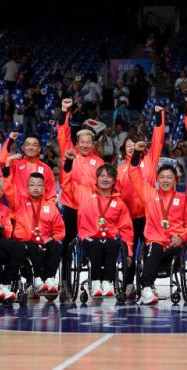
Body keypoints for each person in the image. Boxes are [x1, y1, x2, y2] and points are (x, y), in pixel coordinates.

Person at [129, 143, 187, 305]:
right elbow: (134, 175)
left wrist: (182, 237)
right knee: (154, 247)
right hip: (155, 243)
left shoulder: (183, 199)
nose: (165, 180)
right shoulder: (149, 194)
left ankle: (146, 281)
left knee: (154, 253)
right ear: (157, 179)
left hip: (175, 245)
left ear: (176, 180)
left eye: (169, 177)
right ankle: (146, 288)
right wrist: (136, 154)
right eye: (162, 177)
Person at [60, 151, 133, 298]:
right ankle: (95, 282)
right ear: (96, 179)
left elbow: (126, 229)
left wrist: (129, 253)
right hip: (89, 238)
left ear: (114, 181)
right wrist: (67, 163)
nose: (105, 179)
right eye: (102, 176)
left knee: (112, 244)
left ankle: (107, 282)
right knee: (96, 244)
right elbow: (66, 184)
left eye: (109, 176)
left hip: (109, 238)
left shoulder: (119, 203)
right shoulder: (85, 196)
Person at [115, 106, 165, 290]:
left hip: (148, 215)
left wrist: (159, 115)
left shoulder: (149, 162)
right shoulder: (119, 170)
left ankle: (146, 283)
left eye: (133, 145)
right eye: (127, 146)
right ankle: (128, 284)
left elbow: (158, 140)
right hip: (128, 217)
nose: (130, 148)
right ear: (124, 149)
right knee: (128, 250)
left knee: (149, 251)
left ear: (139, 146)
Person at [2, 168, 65, 295]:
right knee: (32, 246)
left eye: (39, 185)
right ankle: (37, 280)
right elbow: (8, 188)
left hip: (45, 240)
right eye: (32, 185)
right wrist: (8, 166)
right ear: (26, 187)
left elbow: (60, 230)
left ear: (44, 188)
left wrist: (51, 238)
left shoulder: (51, 207)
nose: (35, 188)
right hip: (26, 241)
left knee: (57, 246)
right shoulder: (18, 202)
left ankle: (49, 279)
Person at [57, 98, 105, 258]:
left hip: (90, 206)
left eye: (88, 142)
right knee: (67, 240)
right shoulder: (70, 153)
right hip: (70, 204)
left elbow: (104, 185)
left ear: (93, 144)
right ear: (76, 143)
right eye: (82, 142)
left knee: (92, 240)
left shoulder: (99, 161)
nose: (85, 145)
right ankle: (64, 277)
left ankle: (94, 272)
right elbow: (63, 134)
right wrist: (65, 110)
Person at [0, 132, 56, 201]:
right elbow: (2, 160)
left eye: (34, 145)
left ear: (39, 149)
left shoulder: (46, 169)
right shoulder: (15, 164)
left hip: (39, 209)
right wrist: (10, 140)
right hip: (18, 208)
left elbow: (51, 195)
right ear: (23, 148)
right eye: (28, 145)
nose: (31, 148)